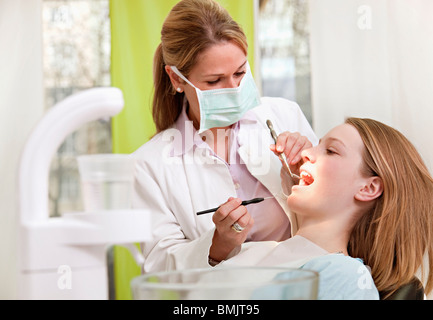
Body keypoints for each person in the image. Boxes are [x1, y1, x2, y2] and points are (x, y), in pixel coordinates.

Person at [132, 0, 317, 272]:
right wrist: (217, 246)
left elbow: (338, 210)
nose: (234, 89)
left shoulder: (285, 116)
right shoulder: (149, 165)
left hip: (305, 283)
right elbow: (161, 267)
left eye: (240, 72)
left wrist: (309, 173)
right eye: (214, 81)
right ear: (176, 79)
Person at [215, 117, 433, 299]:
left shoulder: (345, 275)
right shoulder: (251, 250)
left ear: (369, 187)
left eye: (330, 151)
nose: (305, 154)